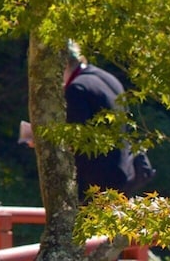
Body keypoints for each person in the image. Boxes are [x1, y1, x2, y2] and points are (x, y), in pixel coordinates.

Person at [61, 41, 156, 196]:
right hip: (125, 172)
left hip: (97, 183)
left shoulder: (76, 89)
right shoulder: (107, 78)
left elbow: (78, 141)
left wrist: (44, 140)